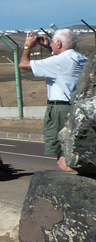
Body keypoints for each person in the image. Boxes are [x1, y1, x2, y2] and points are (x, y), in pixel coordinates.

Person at [20, 29, 88, 172]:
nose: (50, 44)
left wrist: (28, 46)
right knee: (75, 152)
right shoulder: (81, 59)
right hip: (78, 108)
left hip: (60, 110)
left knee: (63, 161)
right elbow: (63, 62)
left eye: (52, 42)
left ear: (59, 43)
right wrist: (49, 47)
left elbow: (24, 65)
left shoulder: (59, 62)